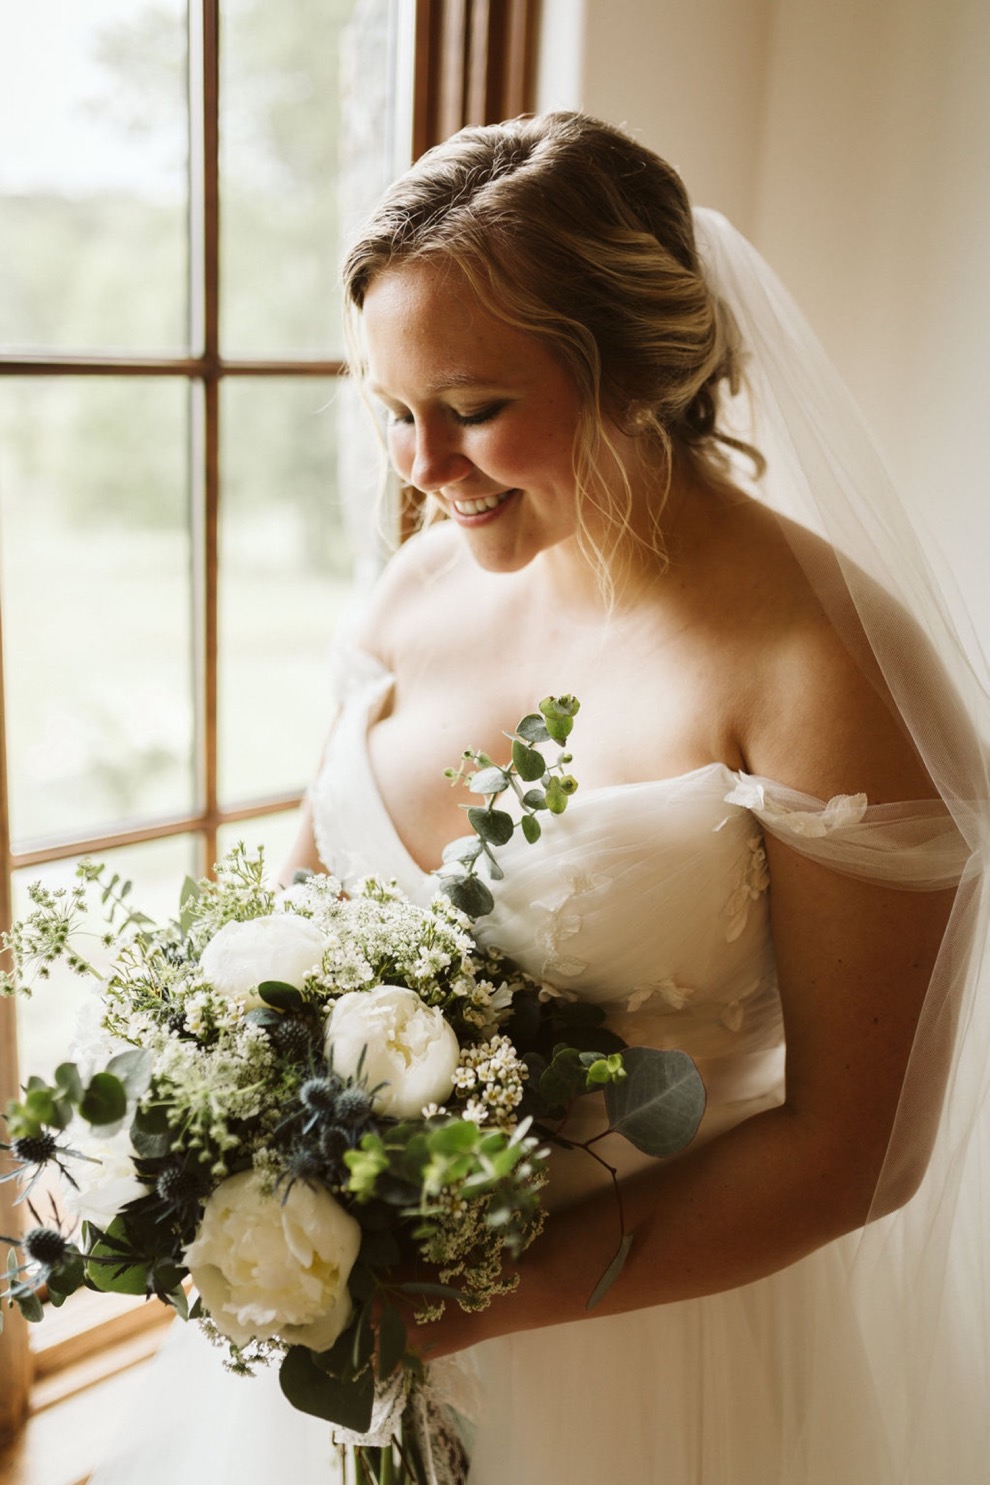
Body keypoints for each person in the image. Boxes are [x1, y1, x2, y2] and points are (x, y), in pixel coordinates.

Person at [92, 112, 989, 1484]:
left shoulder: (821, 671)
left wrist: (469, 1301)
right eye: (394, 413)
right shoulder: (417, 582)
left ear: (637, 367)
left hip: (640, 1360)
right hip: (349, 1344)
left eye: (471, 409)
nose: (421, 469)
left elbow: (854, 1151)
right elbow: (292, 931)